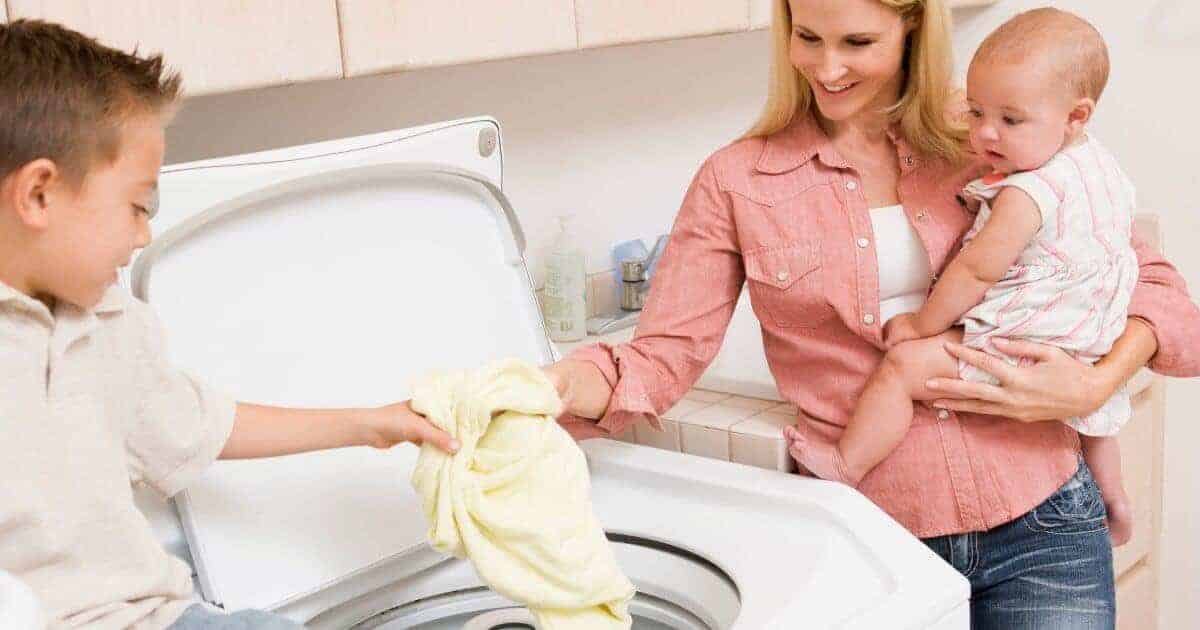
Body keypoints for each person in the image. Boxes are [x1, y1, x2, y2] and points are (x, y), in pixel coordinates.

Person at [541, 0, 1200, 627]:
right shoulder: (738, 180)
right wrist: (546, 390)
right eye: (808, 37)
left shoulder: (993, 131)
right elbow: (661, 356)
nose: (827, 68)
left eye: (858, 42)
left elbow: (1152, 288)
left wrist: (1098, 381)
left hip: (1044, 521)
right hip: (870, 539)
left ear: (914, 31)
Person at [0, 20, 458, 630]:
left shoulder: (108, 325)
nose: (143, 236)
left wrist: (366, 425)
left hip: (160, 618)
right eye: (138, 207)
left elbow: (203, 423)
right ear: (38, 195)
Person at [788, 8, 1141, 547]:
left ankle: (842, 464)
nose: (984, 133)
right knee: (1090, 418)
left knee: (904, 367)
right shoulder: (1102, 167)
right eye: (976, 112)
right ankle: (1113, 497)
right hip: (1086, 337)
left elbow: (976, 269)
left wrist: (923, 322)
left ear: (1077, 115)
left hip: (1027, 342)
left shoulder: (1027, 192)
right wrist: (1095, 379)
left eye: (1009, 120)